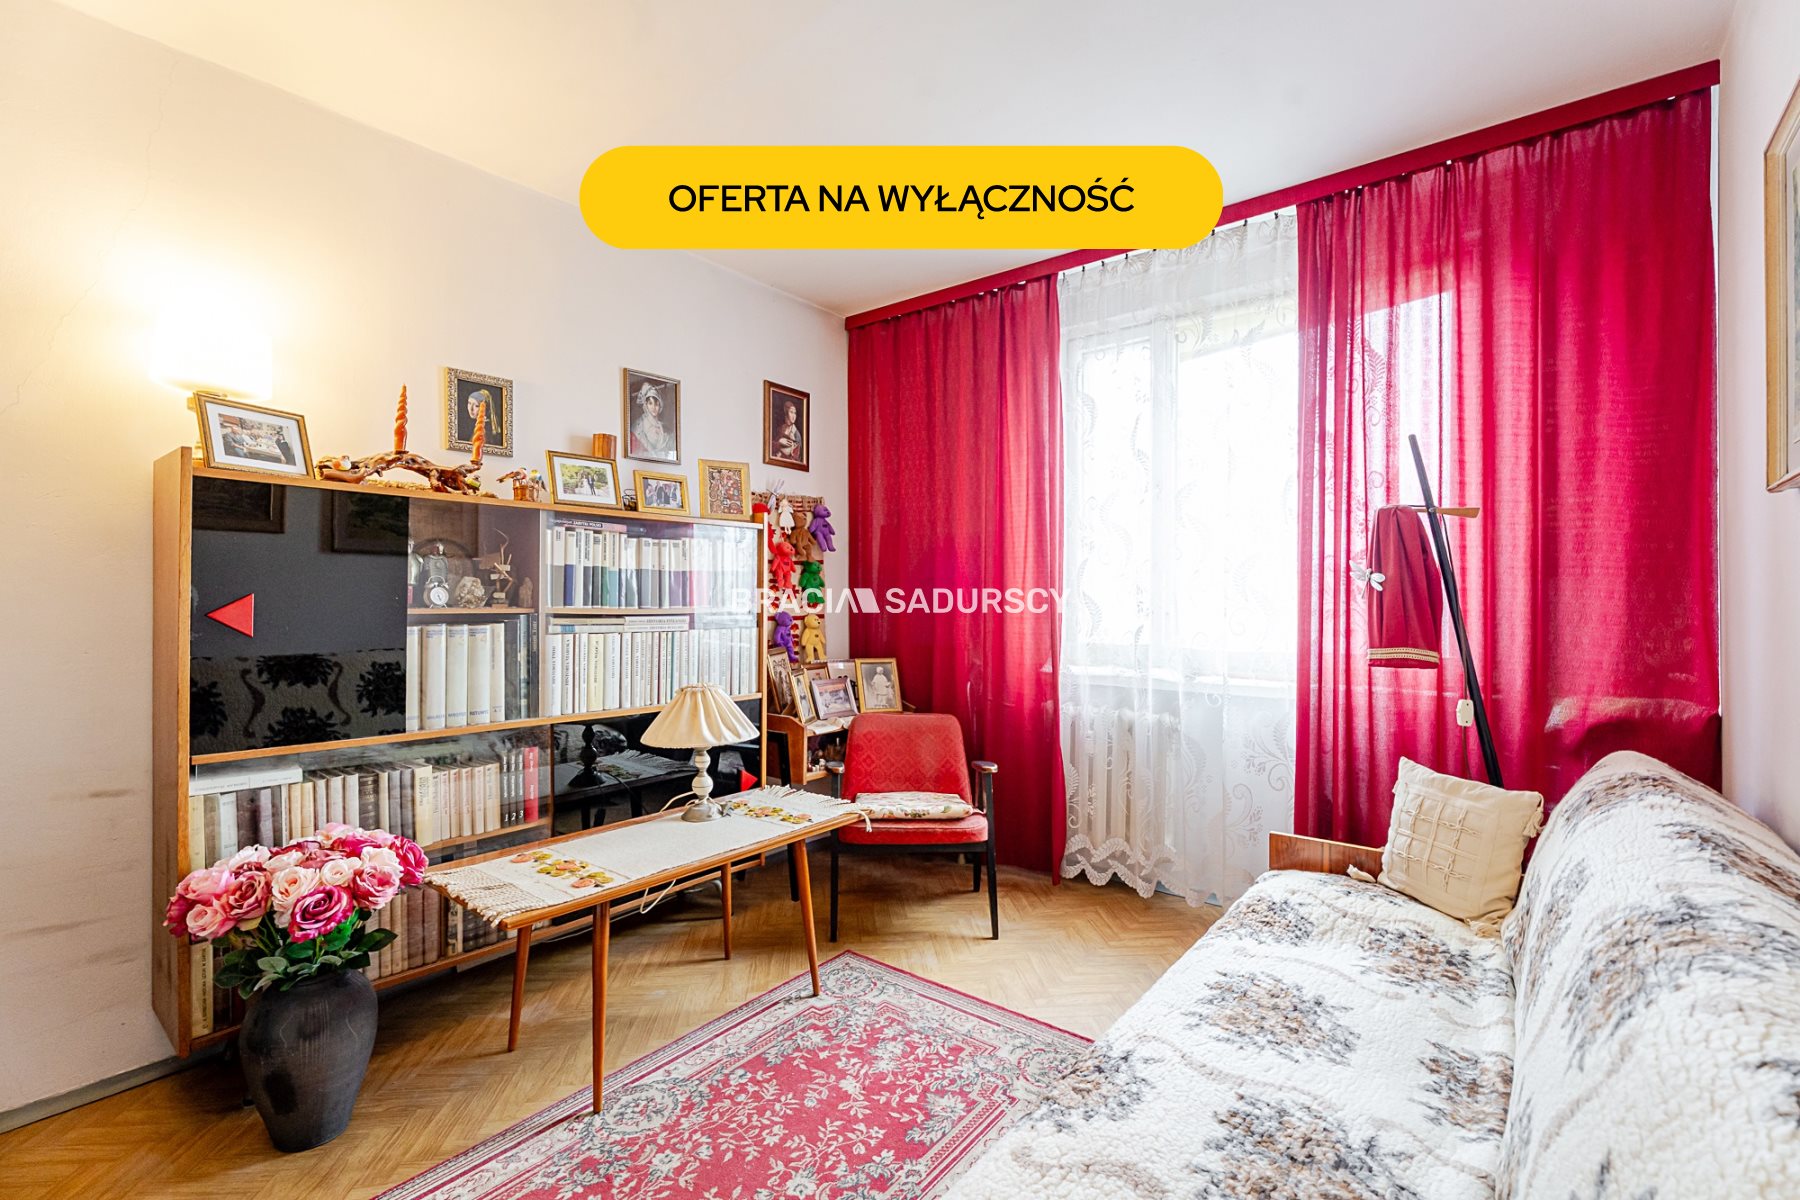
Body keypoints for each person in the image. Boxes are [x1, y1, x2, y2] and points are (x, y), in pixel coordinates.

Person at [631, 382, 674, 458]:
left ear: (660, 406)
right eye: (650, 403)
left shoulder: (663, 427)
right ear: (646, 405)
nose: (653, 407)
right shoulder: (638, 426)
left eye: (656, 404)